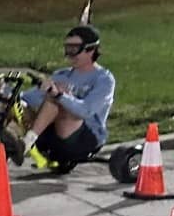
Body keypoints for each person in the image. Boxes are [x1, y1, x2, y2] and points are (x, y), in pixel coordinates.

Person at [20, 24, 115, 171]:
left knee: (55, 100)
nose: (70, 54)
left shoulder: (104, 79)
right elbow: (30, 98)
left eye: (74, 49)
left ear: (91, 50)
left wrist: (59, 95)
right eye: (67, 48)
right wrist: (9, 94)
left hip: (84, 138)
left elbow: (85, 111)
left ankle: (26, 144)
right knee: (14, 105)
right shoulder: (62, 74)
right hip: (53, 136)